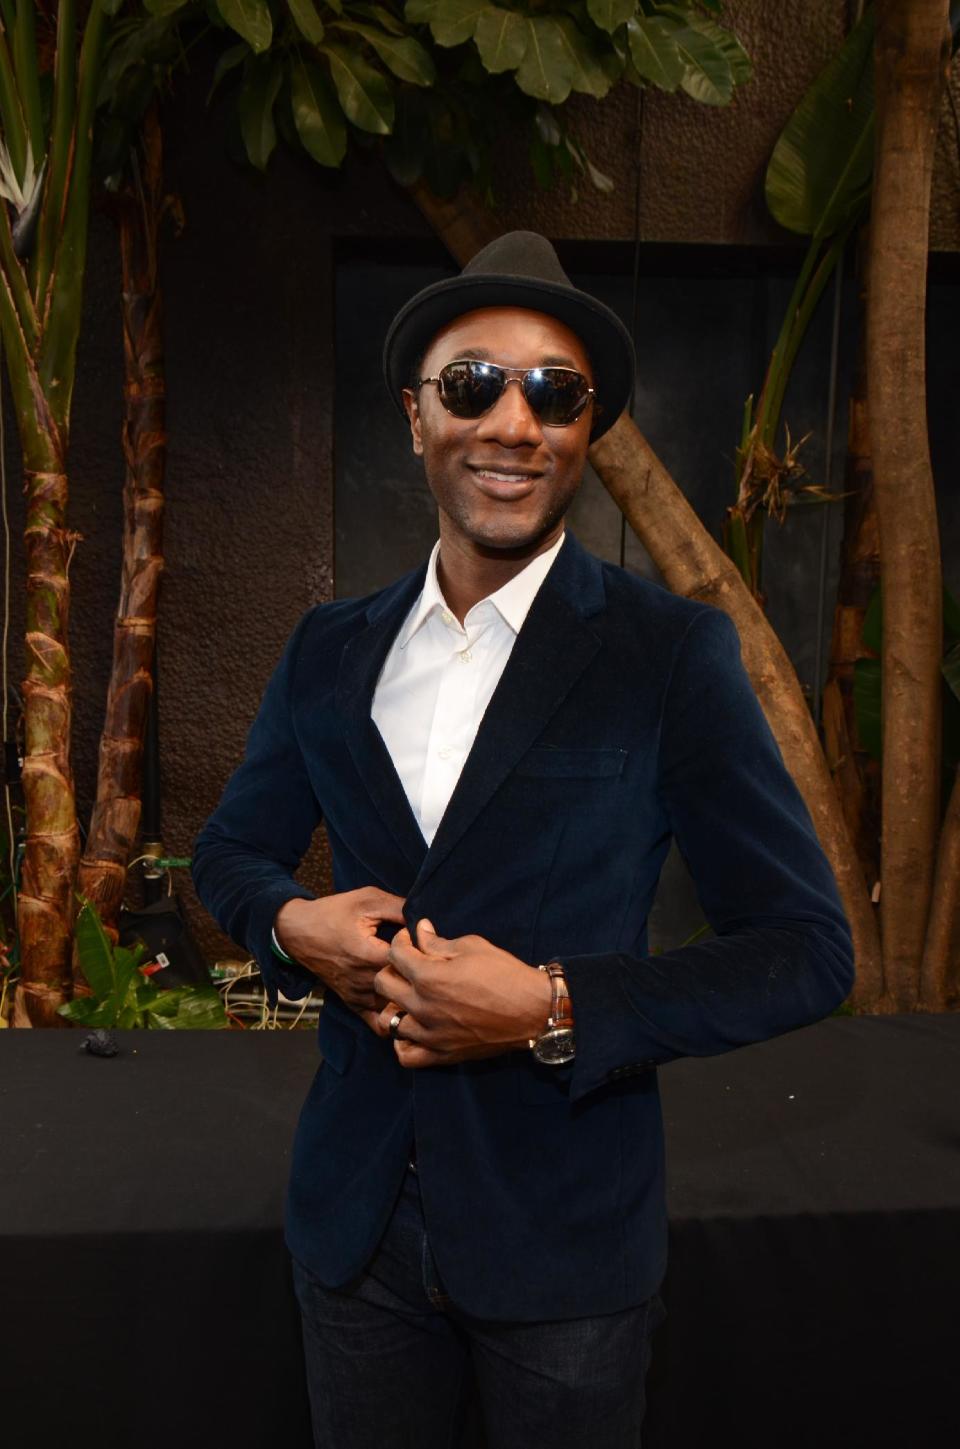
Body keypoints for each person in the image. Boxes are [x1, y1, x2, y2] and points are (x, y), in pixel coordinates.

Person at [191, 230, 855, 1449]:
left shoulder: (669, 656)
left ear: (586, 431)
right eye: (473, 383)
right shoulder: (328, 649)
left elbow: (807, 949)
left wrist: (551, 1006)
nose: (513, 421)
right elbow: (229, 853)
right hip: (353, 1238)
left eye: (555, 393)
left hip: (567, 1253)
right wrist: (292, 924)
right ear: (415, 415)